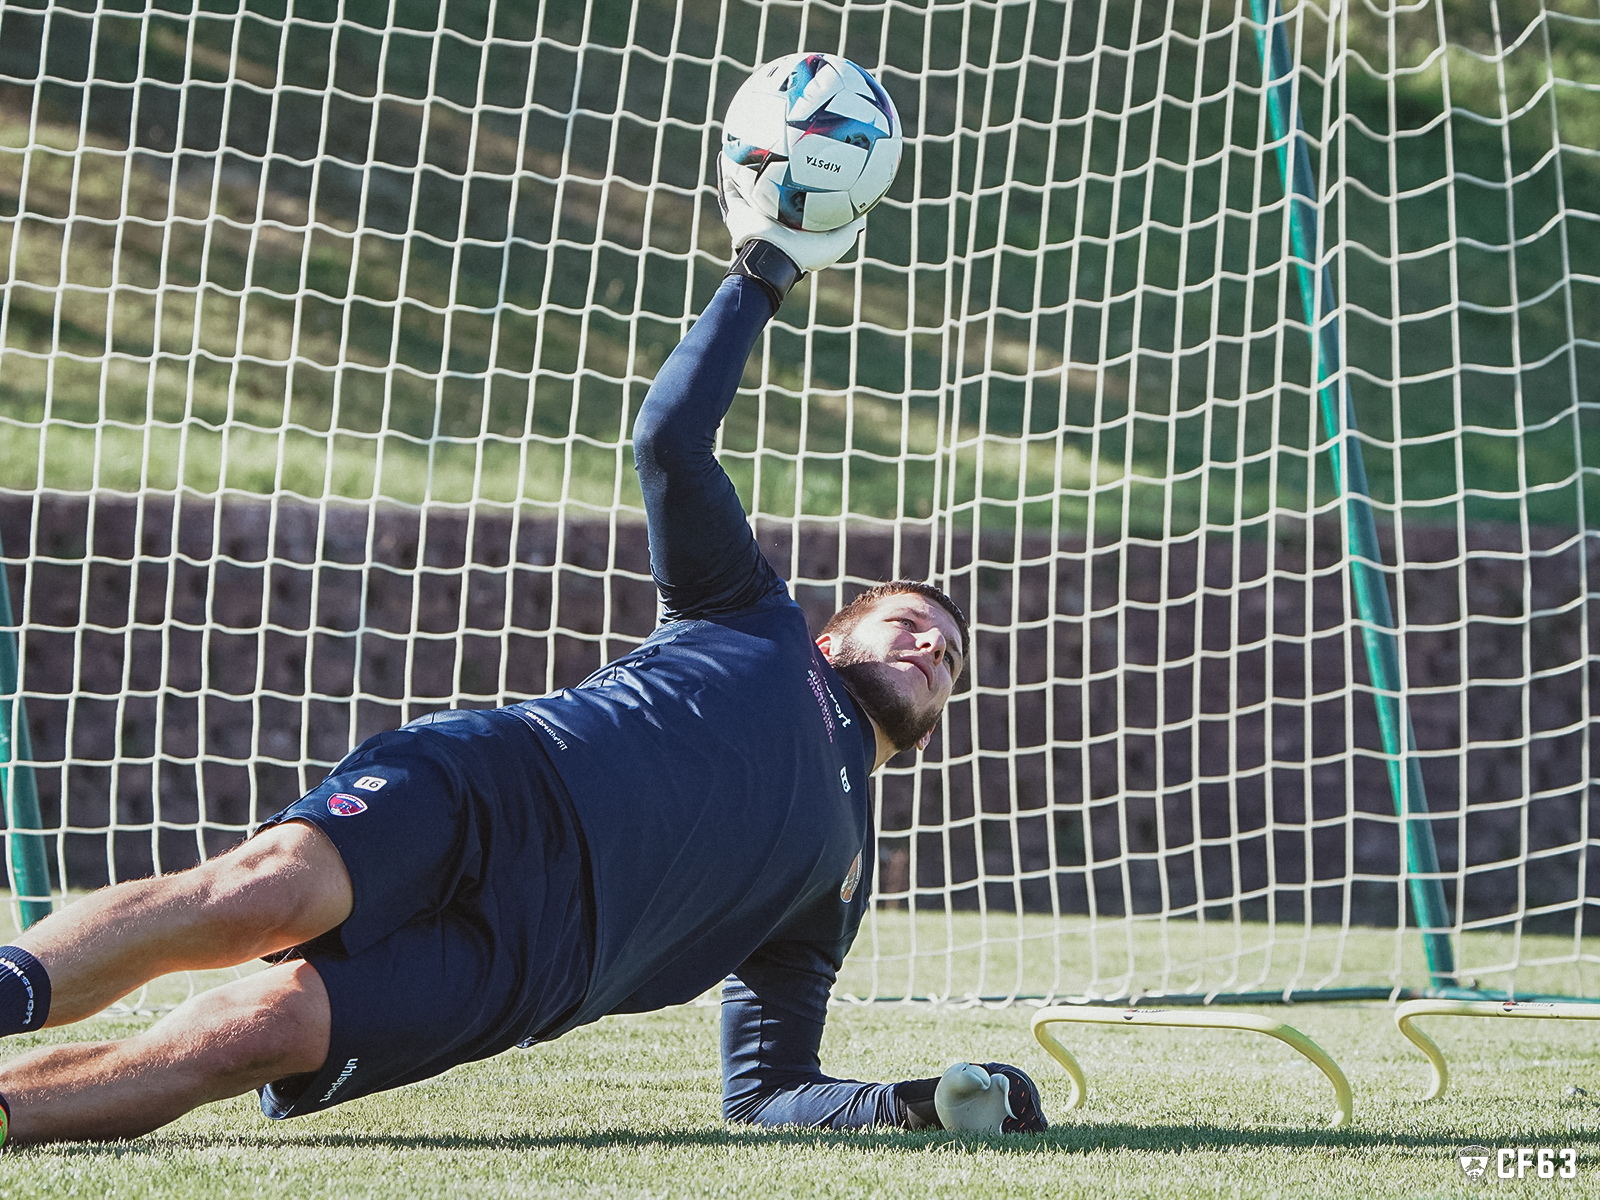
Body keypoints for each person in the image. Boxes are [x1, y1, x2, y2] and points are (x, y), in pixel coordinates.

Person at [0, 166, 1047, 1146]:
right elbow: (670, 439)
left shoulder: (842, 878)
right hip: (502, 786)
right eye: (908, 622)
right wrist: (767, 265)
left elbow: (765, 1089)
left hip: (533, 968)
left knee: (261, 1033)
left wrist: (920, 1103)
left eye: (949, 656)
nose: (929, 647)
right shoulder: (751, 612)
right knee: (261, 892)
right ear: (834, 636)